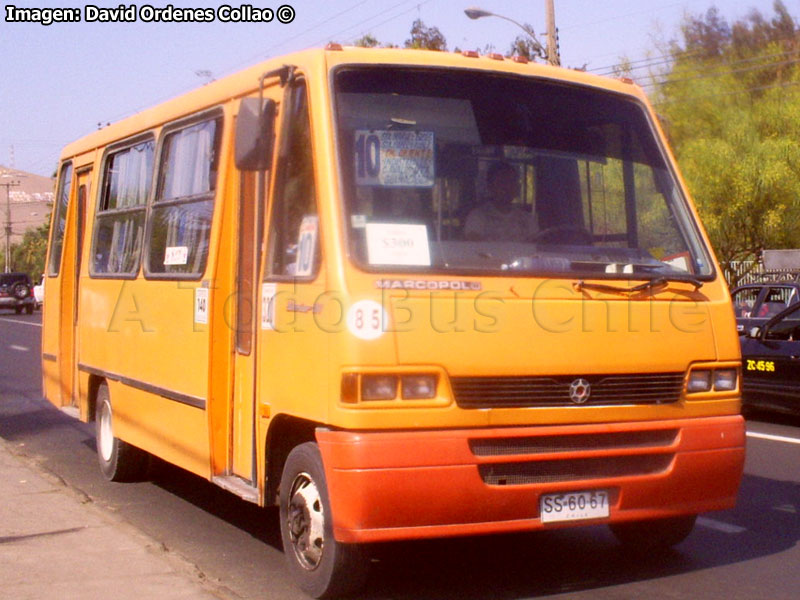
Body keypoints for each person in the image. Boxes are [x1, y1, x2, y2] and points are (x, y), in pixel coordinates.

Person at [464, 162, 536, 242]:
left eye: (512, 182)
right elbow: (475, 249)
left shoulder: (528, 219)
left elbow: (535, 249)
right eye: (502, 182)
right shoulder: (477, 217)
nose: (507, 187)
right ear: (490, 186)